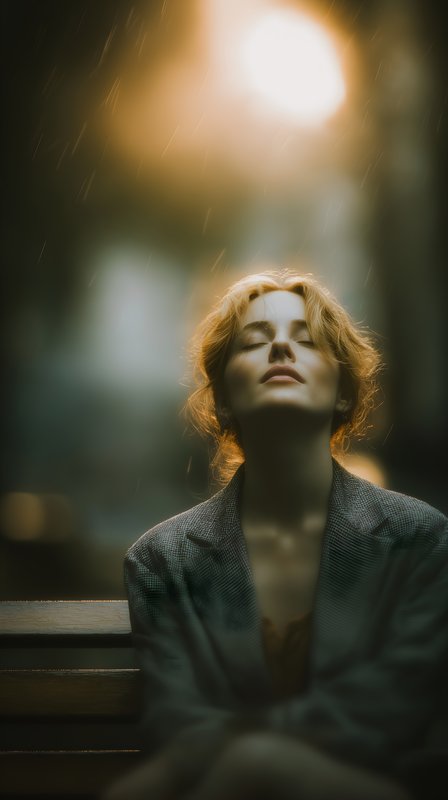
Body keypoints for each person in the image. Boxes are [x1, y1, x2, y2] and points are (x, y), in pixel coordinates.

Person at [105, 270, 447, 800]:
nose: (282, 346)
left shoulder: (422, 541)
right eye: (256, 342)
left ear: (343, 394)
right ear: (221, 400)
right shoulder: (160, 562)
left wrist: (255, 754)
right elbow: (179, 723)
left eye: (307, 341)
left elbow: (387, 716)